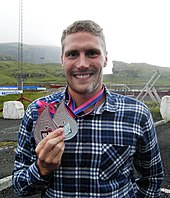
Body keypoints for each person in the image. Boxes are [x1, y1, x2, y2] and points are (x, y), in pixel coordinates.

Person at [12, 20, 164, 197]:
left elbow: (152, 179)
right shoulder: (37, 113)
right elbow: (19, 186)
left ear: (105, 58)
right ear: (62, 60)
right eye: (72, 54)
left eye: (92, 53)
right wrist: (42, 169)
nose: (82, 63)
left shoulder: (137, 114)